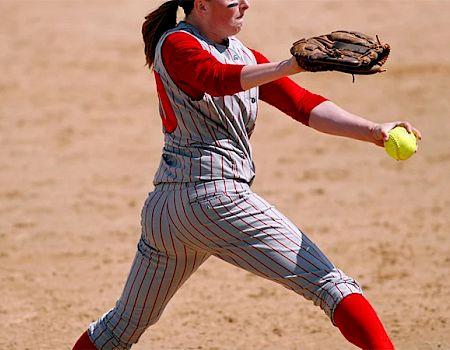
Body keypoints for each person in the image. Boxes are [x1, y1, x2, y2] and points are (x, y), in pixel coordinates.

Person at [73, 0, 422, 349]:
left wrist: (374, 129)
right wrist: (288, 65)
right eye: (232, 0)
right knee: (331, 285)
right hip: (215, 200)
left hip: (168, 214)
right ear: (201, 6)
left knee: (119, 328)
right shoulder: (177, 43)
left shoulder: (244, 55)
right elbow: (216, 78)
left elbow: (302, 104)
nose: (245, 4)